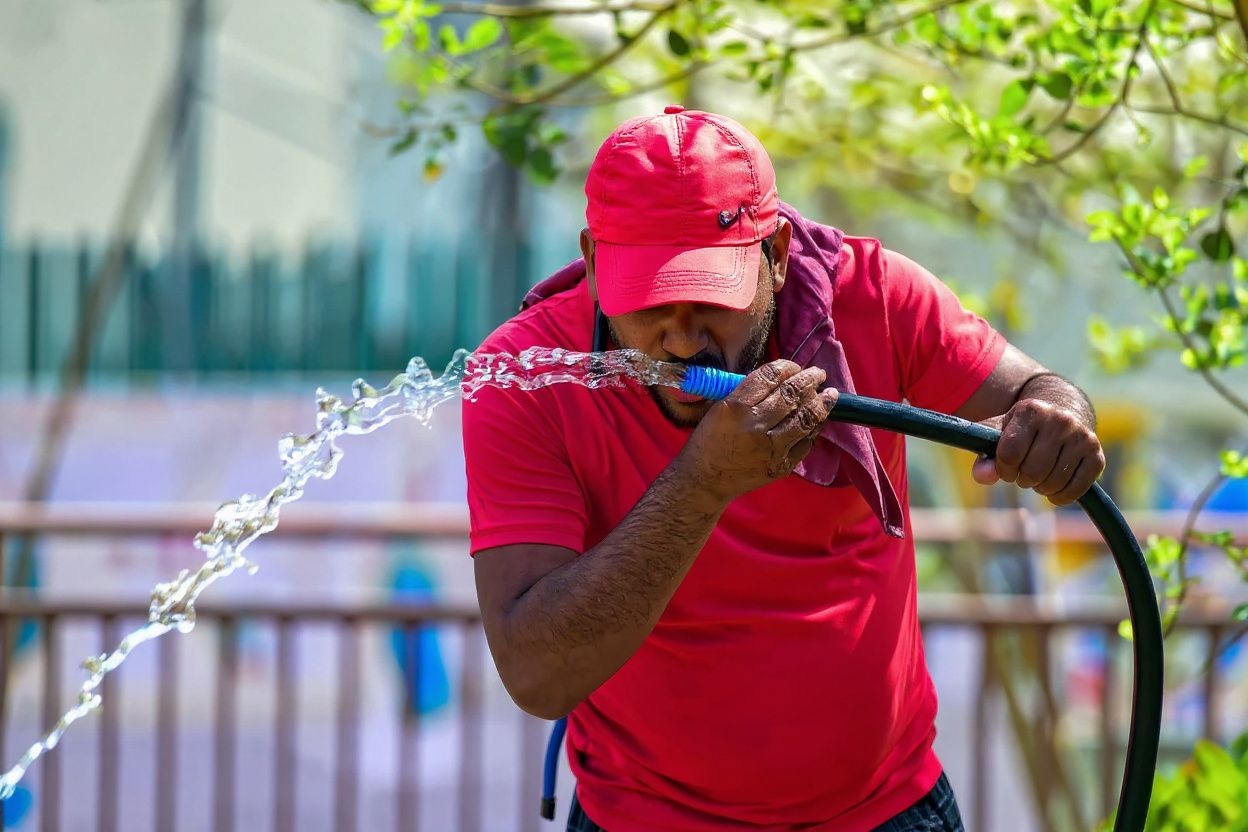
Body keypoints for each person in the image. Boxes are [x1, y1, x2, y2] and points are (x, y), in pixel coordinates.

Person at [461, 106, 1104, 832]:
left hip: (884, 811)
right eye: (645, 301)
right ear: (594, 256)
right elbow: (537, 674)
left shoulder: (871, 297)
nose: (679, 338)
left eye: (711, 297)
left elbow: (1039, 389)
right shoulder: (524, 375)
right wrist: (703, 483)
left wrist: (1058, 418)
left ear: (776, 254)